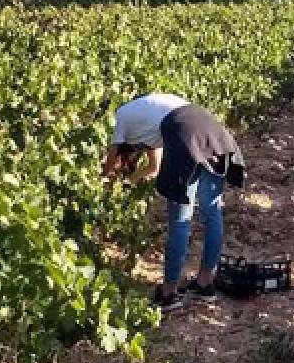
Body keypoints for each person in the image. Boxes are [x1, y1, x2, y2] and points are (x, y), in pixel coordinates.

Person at [102, 92, 245, 312]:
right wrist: (129, 182)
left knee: (180, 220)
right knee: (212, 212)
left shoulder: (122, 115)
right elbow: (153, 168)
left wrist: (105, 183)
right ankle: (205, 284)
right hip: (215, 135)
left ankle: (169, 293)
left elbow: (111, 162)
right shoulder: (152, 114)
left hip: (187, 138)